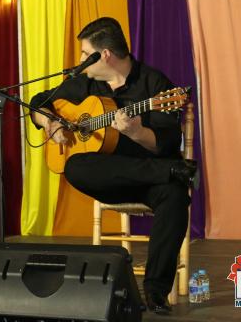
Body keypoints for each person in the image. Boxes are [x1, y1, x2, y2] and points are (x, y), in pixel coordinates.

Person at [30, 17, 198, 315]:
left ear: (103, 55)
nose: (80, 61)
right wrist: (50, 123)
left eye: (85, 54)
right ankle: (171, 171)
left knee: (174, 197)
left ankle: (156, 292)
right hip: (112, 179)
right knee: (75, 167)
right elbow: (39, 101)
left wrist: (136, 132)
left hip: (149, 181)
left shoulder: (155, 84)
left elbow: (167, 144)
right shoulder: (85, 83)